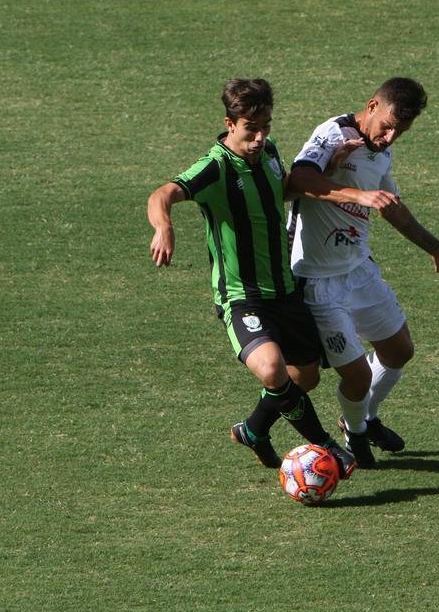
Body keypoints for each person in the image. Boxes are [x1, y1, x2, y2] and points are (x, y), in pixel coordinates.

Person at [147, 78, 356, 479]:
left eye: (267, 128)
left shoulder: (271, 153)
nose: (260, 138)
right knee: (274, 371)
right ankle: (326, 446)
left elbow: (278, 193)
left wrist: (330, 166)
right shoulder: (215, 167)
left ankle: (254, 429)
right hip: (243, 296)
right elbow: (161, 194)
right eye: (251, 129)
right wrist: (164, 226)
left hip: (285, 289)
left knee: (304, 378)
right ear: (230, 123)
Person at [287, 77, 439, 468]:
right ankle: (354, 436)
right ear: (371, 106)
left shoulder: (381, 155)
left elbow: (391, 206)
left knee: (399, 350)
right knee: (346, 377)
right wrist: (357, 195)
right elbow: (297, 180)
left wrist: (433, 246)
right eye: (386, 126)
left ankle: (361, 420)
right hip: (316, 279)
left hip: (358, 269)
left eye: (399, 133)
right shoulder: (332, 133)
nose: (388, 138)